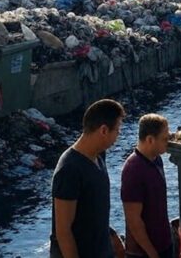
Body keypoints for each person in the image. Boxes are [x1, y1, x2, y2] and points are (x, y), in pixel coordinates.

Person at [51, 99, 126, 258]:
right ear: (104, 130)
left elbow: (93, 210)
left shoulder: (99, 156)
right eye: (118, 131)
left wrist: (111, 235)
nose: (118, 136)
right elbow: (63, 231)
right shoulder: (69, 169)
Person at [121, 114, 173, 258]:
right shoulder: (133, 169)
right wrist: (151, 252)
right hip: (142, 253)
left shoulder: (157, 159)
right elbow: (133, 219)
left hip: (164, 245)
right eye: (165, 139)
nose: (168, 142)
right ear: (150, 139)